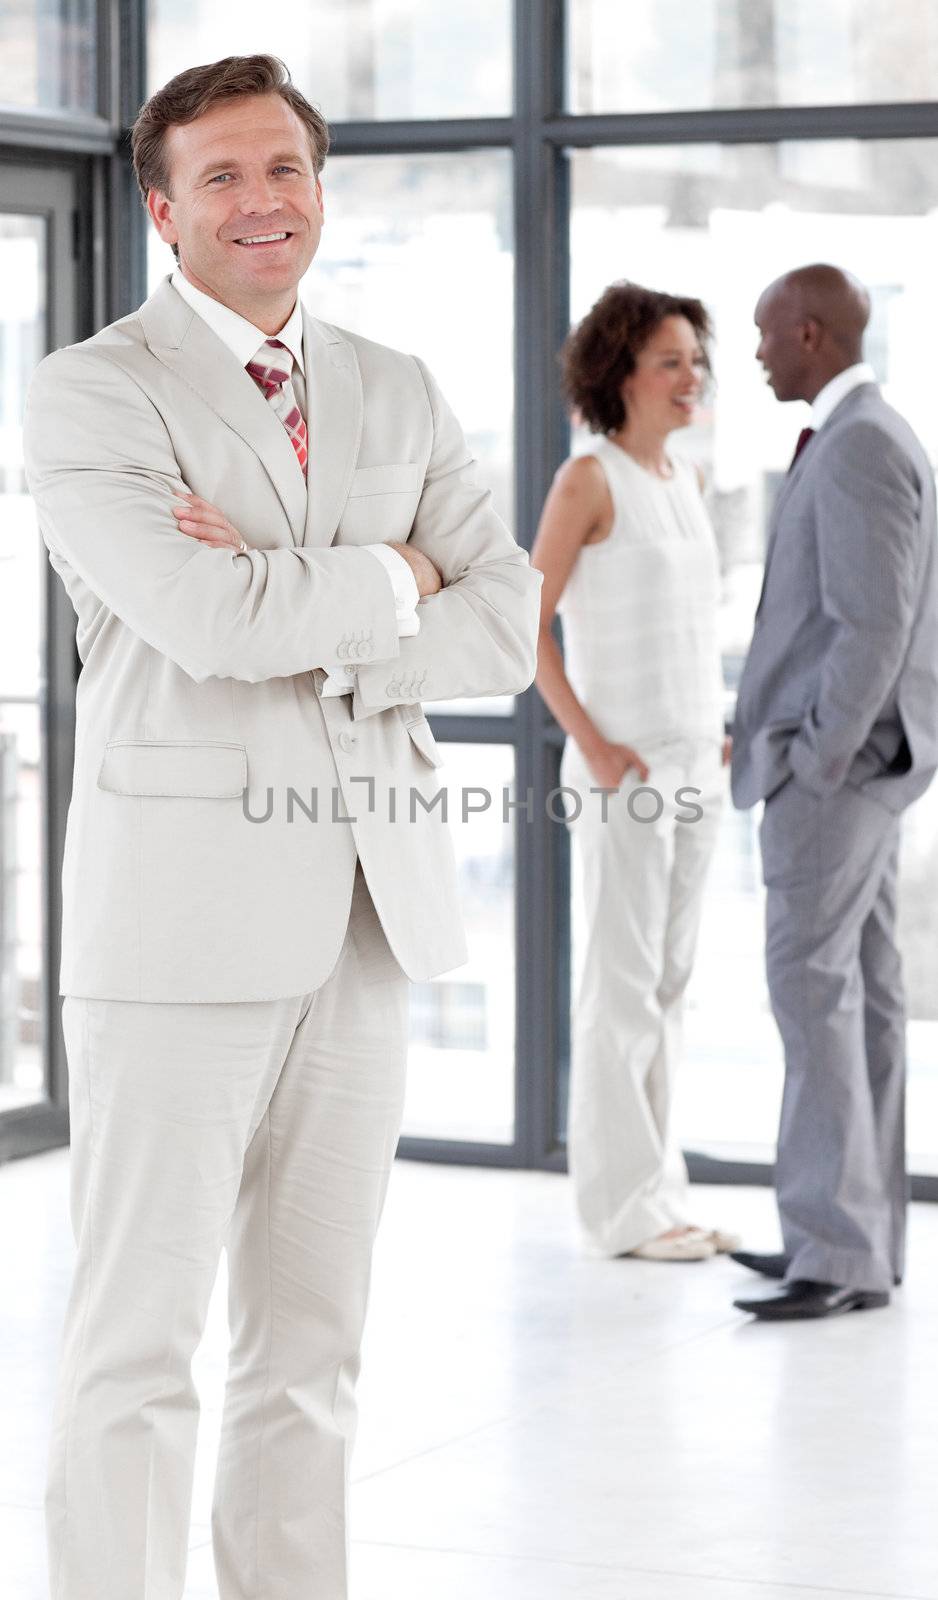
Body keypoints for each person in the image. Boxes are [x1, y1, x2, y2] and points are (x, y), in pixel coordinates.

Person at [24, 54, 540, 1599]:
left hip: (366, 919)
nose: (264, 202)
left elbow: (509, 631)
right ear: (162, 206)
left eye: (287, 170)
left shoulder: (394, 382)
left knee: (311, 1346)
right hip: (176, 924)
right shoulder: (92, 388)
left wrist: (307, 593)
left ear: (321, 188)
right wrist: (394, 574)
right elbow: (199, 616)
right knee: (137, 1343)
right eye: (226, 177)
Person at [730, 263, 938, 1322]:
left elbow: (871, 623)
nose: (755, 352)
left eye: (765, 335)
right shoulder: (864, 432)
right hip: (860, 767)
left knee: (811, 996)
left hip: (837, 774)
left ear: (808, 333)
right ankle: (856, 1240)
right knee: (860, 999)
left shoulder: (858, 443)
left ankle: (831, 1247)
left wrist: (816, 755)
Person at [531, 281, 736, 1263]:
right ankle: (619, 1210)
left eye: (694, 358)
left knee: (668, 986)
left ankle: (660, 1192)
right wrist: (594, 744)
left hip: (698, 762)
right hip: (623, 775)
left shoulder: (685, 481)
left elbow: (688, 629)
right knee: (619, 989)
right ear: (618, 372)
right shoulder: (589, 478)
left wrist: (715, 726)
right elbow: (524, 633)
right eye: (669, 359)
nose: (689, 375)